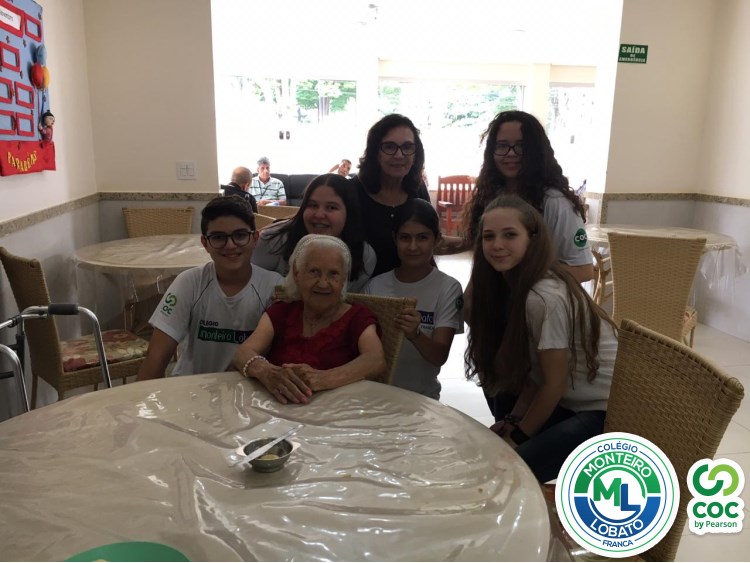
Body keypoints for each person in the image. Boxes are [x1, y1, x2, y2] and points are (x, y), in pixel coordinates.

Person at [465, 195, 618, 482]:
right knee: (498, 443)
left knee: (510, 472)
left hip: (606, 411)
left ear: (532, 239)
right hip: (572, 400)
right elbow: (537, 374)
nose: (497, 244)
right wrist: (512, 421)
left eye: (510, 235)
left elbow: (553, 384)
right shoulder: (520, 285)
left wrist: (518, 437)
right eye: (488, 236)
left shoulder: (543, 296)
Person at [136, 196, 283, 380]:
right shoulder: (189, 282)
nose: (230, 245)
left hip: (249, 392)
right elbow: (156, 357)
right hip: (191, 389)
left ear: (255, 238)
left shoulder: (274, 287)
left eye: (240, 235)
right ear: (205, 243)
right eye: (218, 237)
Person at [233, 234, 386, 404]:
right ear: (297, 273)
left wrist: (323, 378)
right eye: (314, 272)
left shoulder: (357, 317)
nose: (323, 283)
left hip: (338, 412)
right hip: (279, 411)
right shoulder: (281, 312)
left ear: (344, 279)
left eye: (334, 274)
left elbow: (375, 359)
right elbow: (243, 353)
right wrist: (267, 372)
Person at [463, 110, 593, 283]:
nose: (511, 153)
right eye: (502, 146)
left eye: (521, 146)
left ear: (536, 151)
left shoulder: (555, 202)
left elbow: (584, 270)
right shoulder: (490, 195)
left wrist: (524, 272)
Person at [365, 199, 463, 400]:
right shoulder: (374, 286)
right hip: (375, 396)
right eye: (405, 238)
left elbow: (439, 356)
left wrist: (415, 334)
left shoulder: (448, 288)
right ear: (394, 238)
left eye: (422, 237)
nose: (413, 246)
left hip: (423, 398)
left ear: (437, 239)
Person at [252, 173, 376, 292]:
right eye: (312, 205)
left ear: (349, 213)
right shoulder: (273, 239)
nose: (319, 214)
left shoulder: (365, 256)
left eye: (331, 207)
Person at [352, 114, 430, 276]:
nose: (399, 155)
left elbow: (430, 240)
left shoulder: (418, 189)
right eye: (389, 147)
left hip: (409, 286)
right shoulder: (352, 191)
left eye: (407, 147)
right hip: (361, 288)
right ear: (375, 152)